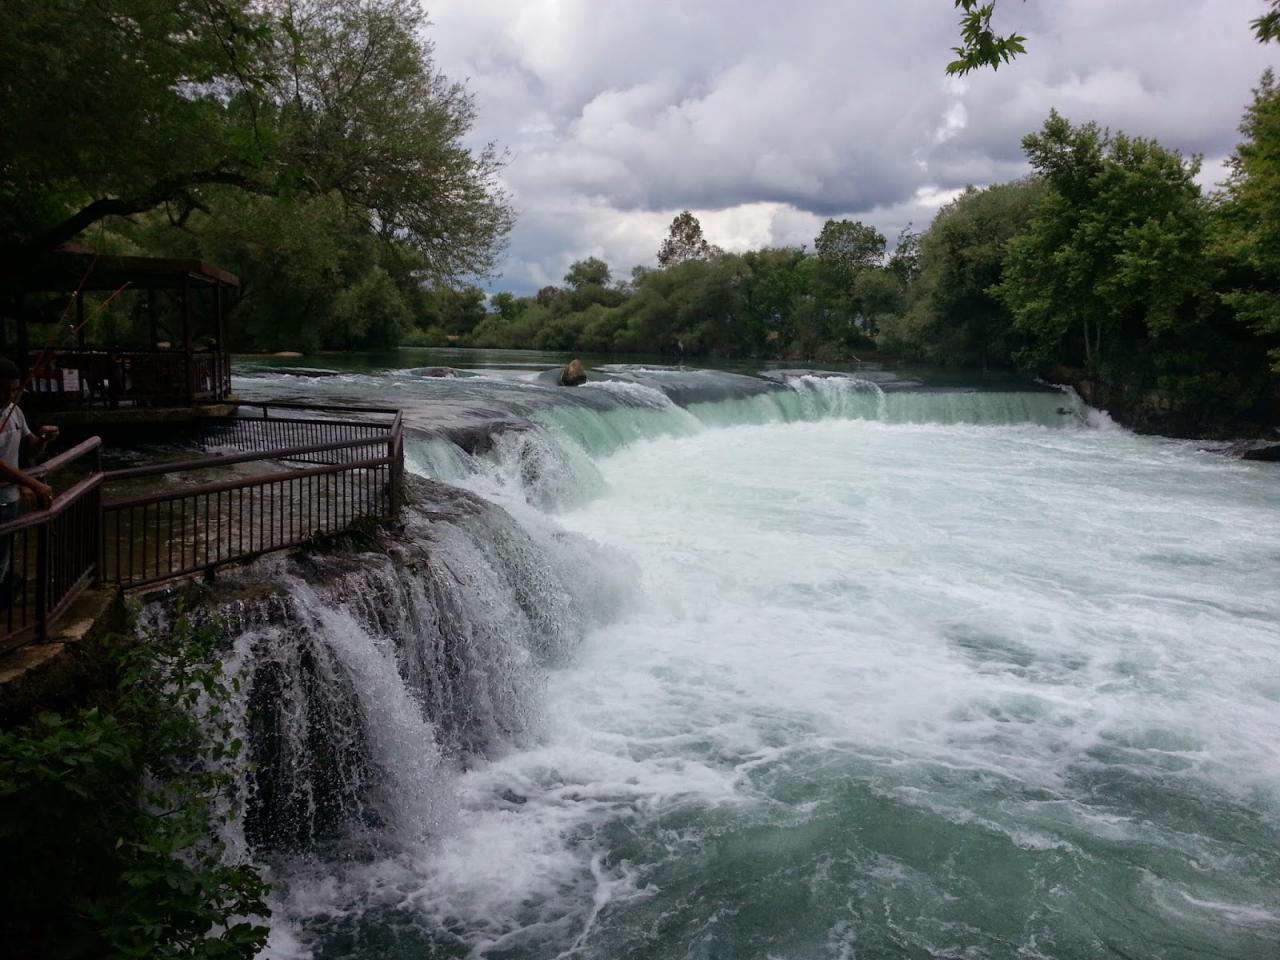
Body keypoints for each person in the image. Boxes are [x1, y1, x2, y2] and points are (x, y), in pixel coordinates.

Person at [0, 358, 59, 586]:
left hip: (9, 501)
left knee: (3, 561)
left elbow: (29, 447)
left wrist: (44, 438)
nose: (9, 396)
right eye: (3, 390)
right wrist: (34, 483)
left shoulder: (15, 412)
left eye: (14, 390)